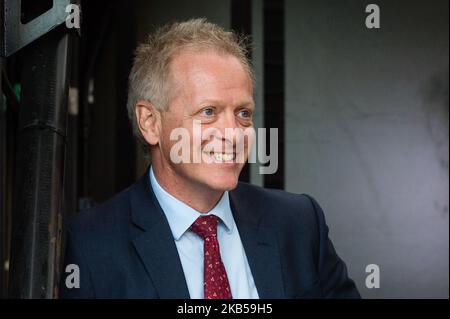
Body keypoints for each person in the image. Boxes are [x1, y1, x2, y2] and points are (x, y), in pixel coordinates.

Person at [60, 18, 360, 299]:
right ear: (150, 122)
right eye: (208, 112)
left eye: (243, 113)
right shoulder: (89, 244)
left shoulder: (300, 224)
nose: (233, 133)